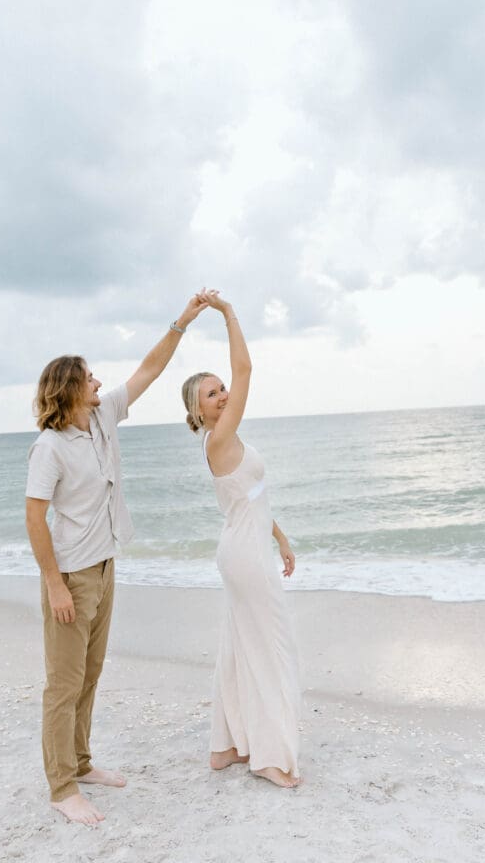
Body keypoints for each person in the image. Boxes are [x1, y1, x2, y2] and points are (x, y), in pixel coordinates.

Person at [25, 295, 208, 826]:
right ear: (70, 389)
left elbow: (150, 369)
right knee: (63, 684)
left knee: (90, 673)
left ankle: (80, 763)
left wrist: (183, 322)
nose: (100, 383)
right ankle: (61, 787)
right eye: (89, 378)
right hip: (71, 576)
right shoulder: (50, 447)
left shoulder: (103, 415)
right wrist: (55, 585)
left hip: (105, 565)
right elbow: (35, 519)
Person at [181, 290, 302, 788]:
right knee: (271, 649)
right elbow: (247, 371)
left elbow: (250, 497)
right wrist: (229, 314)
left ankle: (225, 745)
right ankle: (270, 757)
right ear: (199, 410)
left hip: (247, 548)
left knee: (238, 647)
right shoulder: (220, 439)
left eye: (221, 387)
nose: (224, 394)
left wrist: (282, 538)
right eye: (212, 394)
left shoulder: (233, 443)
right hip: (243, 557)